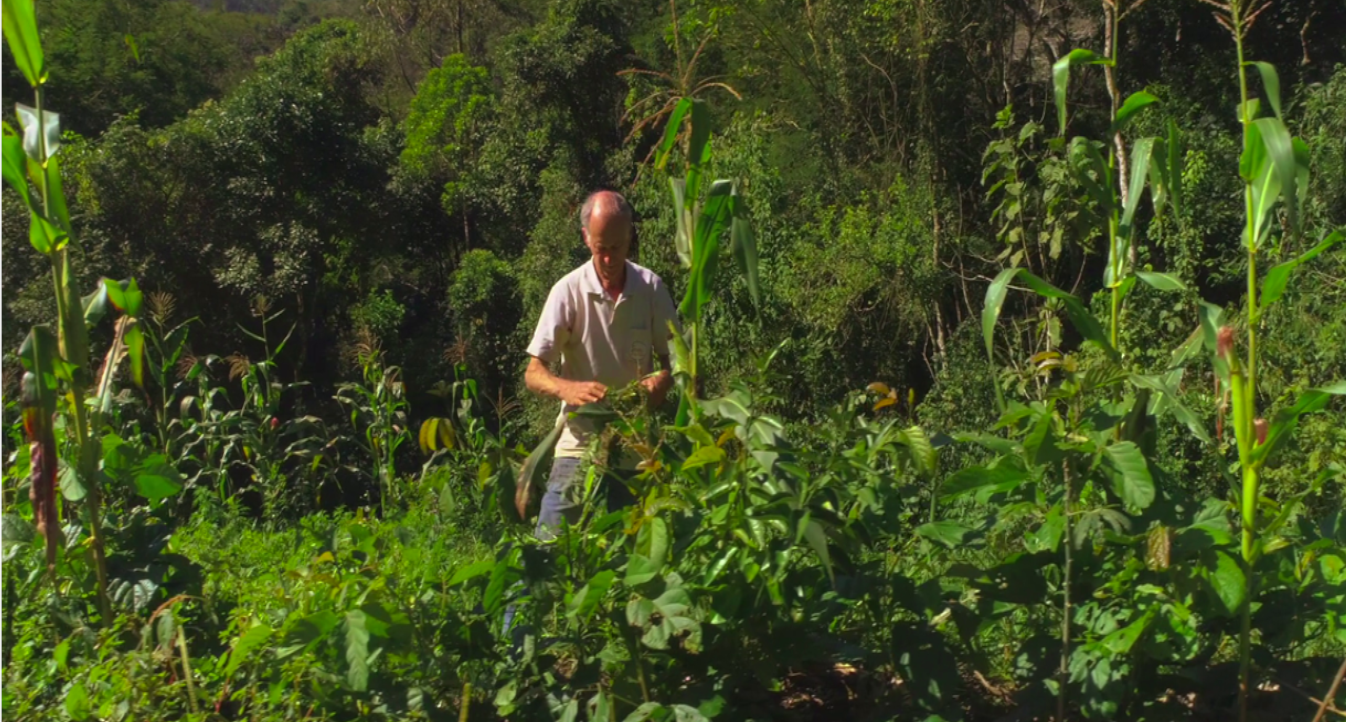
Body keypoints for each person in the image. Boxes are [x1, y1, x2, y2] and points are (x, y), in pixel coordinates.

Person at [522, 189, 679, 539]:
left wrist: (662, 380)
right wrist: (567, 388)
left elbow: (676, 359)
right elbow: (534, 372)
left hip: (634, 448)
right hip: (578, 443)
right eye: (600, 248)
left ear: (629, 237)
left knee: (631, 552)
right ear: (585, 238)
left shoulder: (651, 289)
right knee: (549, 545)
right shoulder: (568, 291)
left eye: (616, 248)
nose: (608, 258)